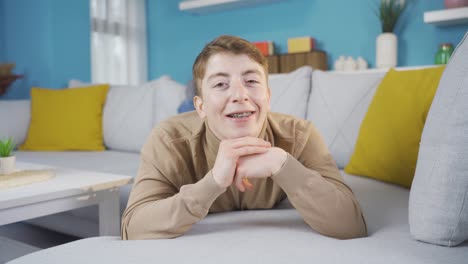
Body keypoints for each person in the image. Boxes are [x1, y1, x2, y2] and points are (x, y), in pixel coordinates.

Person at [121, 35, 367, 240]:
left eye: (251, 81)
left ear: (268, 97)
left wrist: (282, 164)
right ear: (200, 106)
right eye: (220, 84)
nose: (240, 94)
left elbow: (351, 224)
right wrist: (213, 183)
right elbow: (133, 228)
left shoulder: (300, 135)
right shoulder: (168, 139)